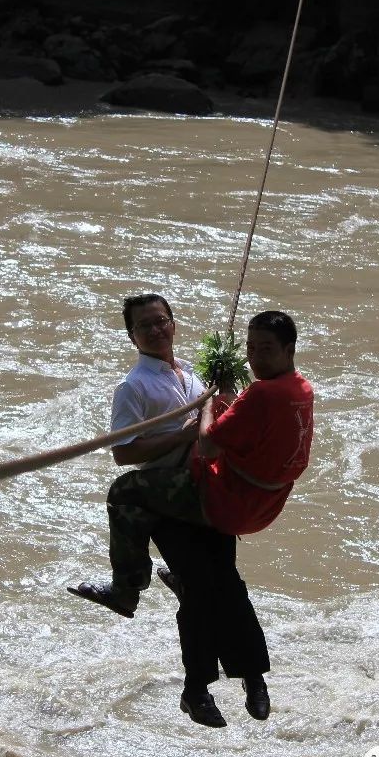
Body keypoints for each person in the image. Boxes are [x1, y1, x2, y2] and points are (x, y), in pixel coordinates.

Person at [71, 309, 314, 727]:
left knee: (223, 586)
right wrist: (191, 430)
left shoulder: (190, 376)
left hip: (210, 491)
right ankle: (201, 685)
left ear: (173, 324)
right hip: (169, 501)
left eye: (161, 320)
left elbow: (226, 426)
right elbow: (124, 454)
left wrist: (219, 402)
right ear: (131, 336)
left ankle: (243, 681)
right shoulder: (133, 387)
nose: (155, 329)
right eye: (144, 325)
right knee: (195, 580)